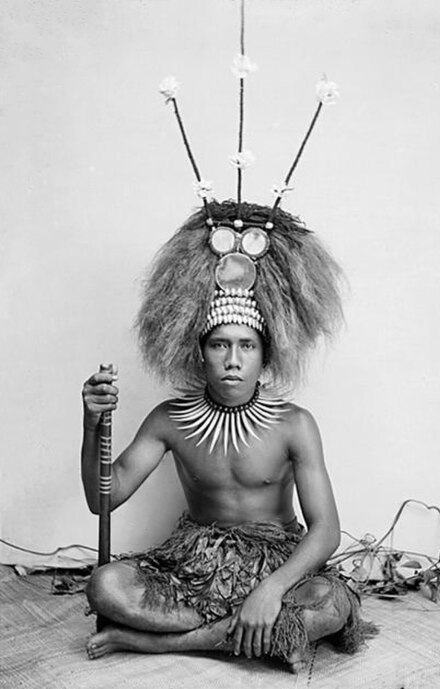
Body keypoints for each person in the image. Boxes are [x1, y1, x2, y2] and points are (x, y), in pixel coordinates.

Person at [81, 200, 368, 674]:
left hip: (278, 564)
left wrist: (271, 590)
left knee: (333, 603)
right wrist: (93, 428)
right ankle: (252, 638)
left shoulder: (295, 423)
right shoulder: (170, 419)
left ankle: (159, 643)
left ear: (264, 356)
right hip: (193, 571)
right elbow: (102, 499)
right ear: (200, 353)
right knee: (106, 587)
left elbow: (326, 531)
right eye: (220, 345)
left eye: (246, 346)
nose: (233, 359)